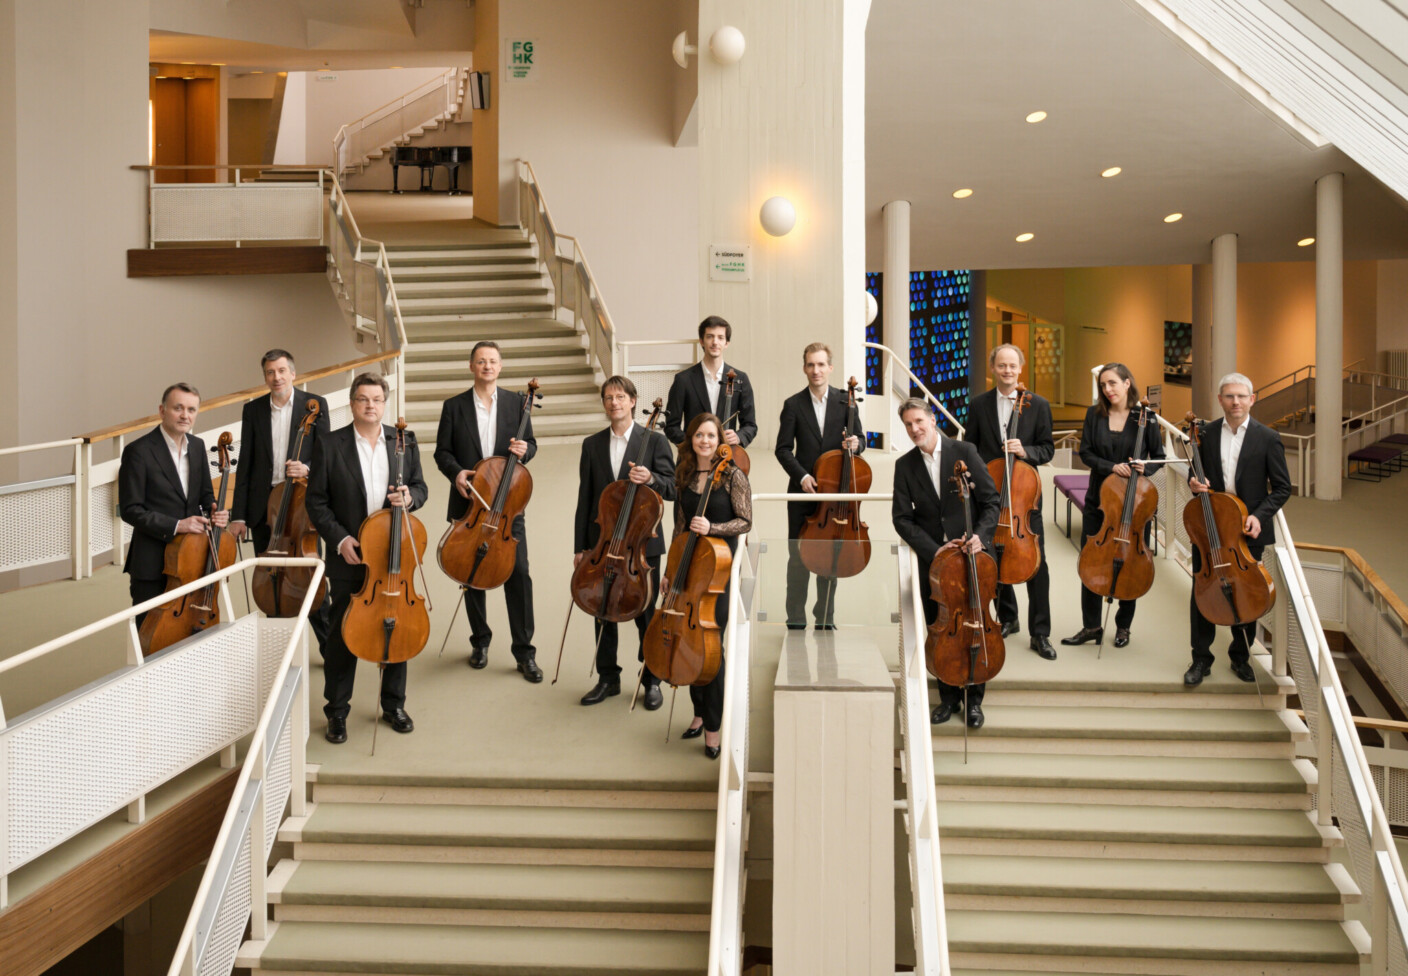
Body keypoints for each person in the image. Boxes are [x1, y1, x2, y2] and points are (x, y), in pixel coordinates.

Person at [304, 372, 428, 744]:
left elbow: (421, 487)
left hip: (393, 557)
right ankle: (337, 712)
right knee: (343, 635)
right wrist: (340, 539)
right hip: (350, 556)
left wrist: (409, 499)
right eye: (362, 399)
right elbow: (316, 501)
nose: (370, 405)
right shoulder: (329, 443)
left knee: (397, 625)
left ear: (384, 403)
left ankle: (393, 704)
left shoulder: (403, 440)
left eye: (376, 399)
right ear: (352, 403)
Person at [433, 341, 541, 681]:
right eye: (481, 361)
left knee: (519, 574)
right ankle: (480, 642)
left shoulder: (518, 403)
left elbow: (531, 446)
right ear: (471, 366)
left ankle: (524, 652)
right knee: (471, 573)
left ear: (500, 366)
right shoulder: (453, 406)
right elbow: (442, 452)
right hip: (471, 504)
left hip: (508, 506)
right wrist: (457, 473)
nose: (487, 366)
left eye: (492, 361)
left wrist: (526, 450)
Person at [891, 398, 1000, 728]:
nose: (914, 429)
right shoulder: (904, 465)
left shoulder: (964, 452)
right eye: (909, 424)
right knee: (941, 629)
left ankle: (974, 700)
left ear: (932, 420)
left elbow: (991, 501)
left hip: (972, 558)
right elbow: (902, 519)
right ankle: (948, 697)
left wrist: (980, 535)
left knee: (976, 623)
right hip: (936, 563)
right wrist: (935, 550)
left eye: (919, 421)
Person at [573, 376, 677, 708]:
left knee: (646, 611)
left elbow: (673, 487)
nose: (614, 402)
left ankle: (652, 679)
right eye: (608, 398)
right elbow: (585, 499)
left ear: (633, 401)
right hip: (603, 543)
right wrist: (580, 547)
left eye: (620, 397)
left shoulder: (655, 442)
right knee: (602, 607)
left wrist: (652, 479)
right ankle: (608, 678)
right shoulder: (592, 444)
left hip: (641, 547)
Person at [1184, 372, 1292, 686]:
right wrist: (1195, 485)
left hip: (1246, 529)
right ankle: (1200, 659)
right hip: (1210, 526)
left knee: (1248, 592)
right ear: (1220, 400)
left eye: (1242, 396)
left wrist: (1259, 515)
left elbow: (1283, 488)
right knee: (1201, 592)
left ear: (1252, 399)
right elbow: (1198, 478)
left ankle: (1240, 657)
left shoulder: (1267, 437)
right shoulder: (1205, 432)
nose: (1236, 402)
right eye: (1229, 396)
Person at [229, 348, 331, 647]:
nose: (276, 377)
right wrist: (238, 515)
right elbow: (245, 463)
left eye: (281, 371)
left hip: (301, 507)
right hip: (266, 510)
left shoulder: (314, 405)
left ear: (293, 373)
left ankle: (330, 653)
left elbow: (328, 456)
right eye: (270, 372)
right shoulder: (254, 410)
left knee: (309, 582)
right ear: (265, 376)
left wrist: (308, 468)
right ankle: (278, 652)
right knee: (271, 582)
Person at [666, 413, 752, 758]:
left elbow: (745, 521)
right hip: (688, 565)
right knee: (688, 640)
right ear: (692, 439)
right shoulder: (684, 473)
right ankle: (699, 713)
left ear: (720, 441)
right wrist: (672, 571)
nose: (705, 441)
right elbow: (680, 524)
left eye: (711, 436)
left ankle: (714, 728)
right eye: (699, 435)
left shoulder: (733, 475)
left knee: (710, 647)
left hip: (718, 570)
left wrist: (713, 528)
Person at [1062, 362, 1165, 649]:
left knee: (1131, 564)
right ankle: (1091, 626)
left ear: (1127, 383)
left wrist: (1146, 466)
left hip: (1135, 507)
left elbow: (1158, 456)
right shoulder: (1093, 415)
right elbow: (1086, 453)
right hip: (1100, 503)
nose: (1107, 390)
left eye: (1112, 384)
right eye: (1103, 385)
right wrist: (1111, 467)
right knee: (1091, 562)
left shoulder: (1147, 418)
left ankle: (1123, 627)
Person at [963, 344, 1056, 660]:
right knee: (996, 559)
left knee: (1037, 567)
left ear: (1021, 368)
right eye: (1001, 365)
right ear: (993, 368)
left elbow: (1047, 449)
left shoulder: (1038, 405)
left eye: (1012, 366)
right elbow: (969, 447)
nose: (1007, 371)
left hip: (1023, 501)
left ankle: (1040, 633)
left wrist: (1025, 451)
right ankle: (1009, 618)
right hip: (991, 496)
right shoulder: (979, 405)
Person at [774, 342, 865, 630]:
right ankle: (796, 618)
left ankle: (825, 617)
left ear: (830, 367)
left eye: (821, 364)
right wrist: (802, 476)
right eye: (811, 365)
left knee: (830, 556)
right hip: (803, 492)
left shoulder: (845, 401)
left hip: (836, 492)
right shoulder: (793, 404)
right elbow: (783, 449)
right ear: (805, 368)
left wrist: (857, 444)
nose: (816, 370)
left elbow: (861, 440)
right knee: (797, 558)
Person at [118, 383, 226, 624]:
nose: (185, 415)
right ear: (162, 410)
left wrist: (215, 509)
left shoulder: (197, 447)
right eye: (178, 408)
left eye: (191, 409)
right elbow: (130, 509)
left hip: (191, 558)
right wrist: (178, 525)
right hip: (152, 561)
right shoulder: (138, 451)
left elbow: (206, 495)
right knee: (150, 633)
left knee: (186, 628)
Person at [664, 316, 757, 451]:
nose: (715, 342)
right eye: (710, 337)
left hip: (726, 455)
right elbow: (671, 426)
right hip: (692, 459)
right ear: (702, 341)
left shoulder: (740, 379)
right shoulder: (683, 380)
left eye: (720, 337)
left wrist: (739, 436)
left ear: (727, 343)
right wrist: (692, 444)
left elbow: (750, 425)